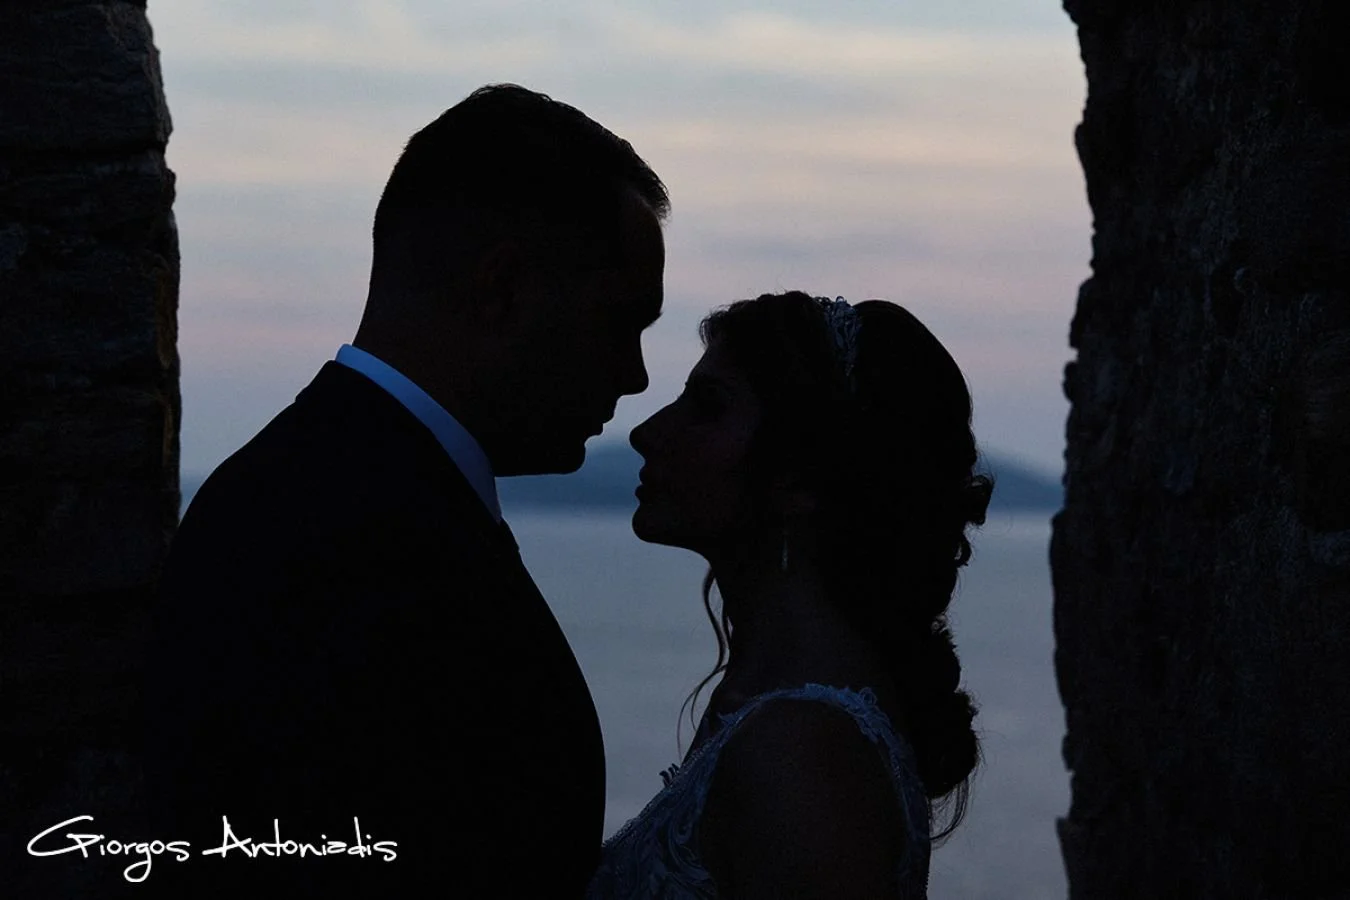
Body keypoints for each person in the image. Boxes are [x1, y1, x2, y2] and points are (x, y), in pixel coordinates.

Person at [141, 83, 668, 898]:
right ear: (503, 290)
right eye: (620, 321)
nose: (634, 377)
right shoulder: (346, 544)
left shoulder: (310, 497)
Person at [588, 291, 990, 899]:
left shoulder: (803, 754)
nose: (648, 433)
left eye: (707, 407)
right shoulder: (767, 708)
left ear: (801, 480)